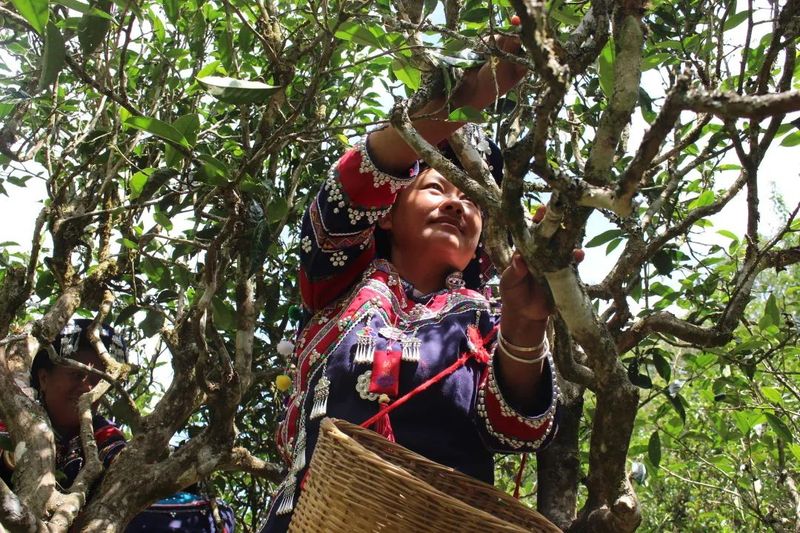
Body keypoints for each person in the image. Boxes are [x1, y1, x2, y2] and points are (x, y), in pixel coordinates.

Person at [260, 34, 561, 532]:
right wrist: (469, 96)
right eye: (437, 186)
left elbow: (518, 429)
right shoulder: (340, 280)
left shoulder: (487, 316)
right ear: (385, 214)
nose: (456, 204)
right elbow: (357, 181)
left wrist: (526, 326)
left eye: (471, 199)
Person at [0, 318, 236, 532]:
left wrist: (176, 466)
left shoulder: (102, 432)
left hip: (89, 520)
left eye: (97, 380)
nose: (87, 388)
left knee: (212, 515)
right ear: (43, 378)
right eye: (76, 374)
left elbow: (124, 468)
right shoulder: (14, 421)